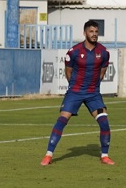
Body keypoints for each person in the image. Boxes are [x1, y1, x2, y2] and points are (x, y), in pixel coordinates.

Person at [41, 20, 114, 166]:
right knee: (62, 119)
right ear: (85, 33)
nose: (94, 35)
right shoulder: (74, 52)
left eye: (96, 32)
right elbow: (68, 72)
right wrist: (76, 86)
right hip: (75, 92)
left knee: (104, 122)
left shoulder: (104, 52)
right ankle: (48, 155)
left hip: (93, 93)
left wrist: (92, 87)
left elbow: (102, 73)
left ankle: (104, 156)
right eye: (91, 31)